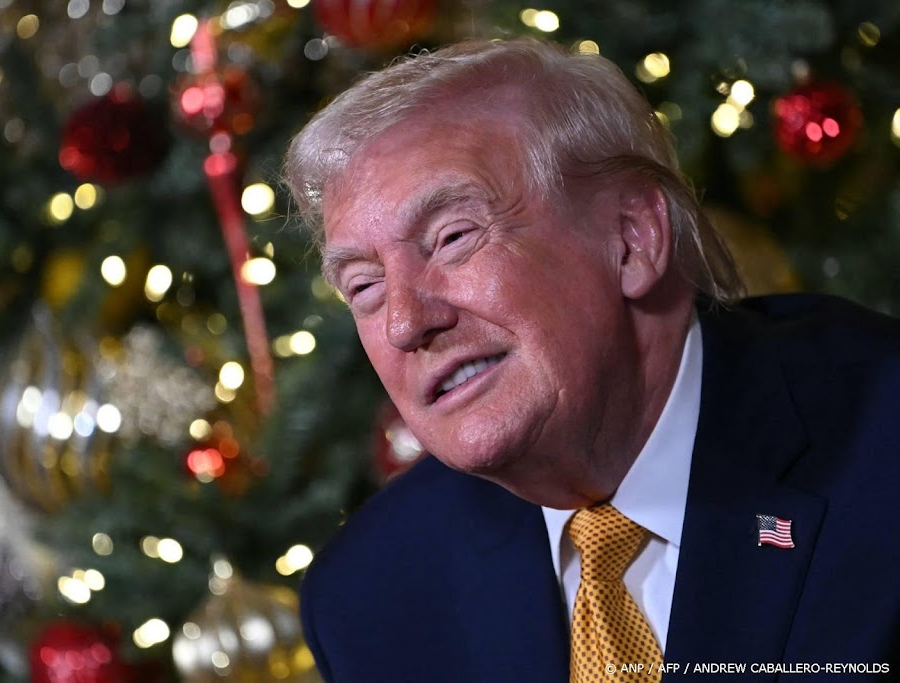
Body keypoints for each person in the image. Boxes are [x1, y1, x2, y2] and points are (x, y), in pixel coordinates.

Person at [283, 38, 900, 682]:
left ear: (632, 238)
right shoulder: (369, 599)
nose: (406, 323)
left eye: (452, 238)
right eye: (365, 287)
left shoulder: (883, 444)